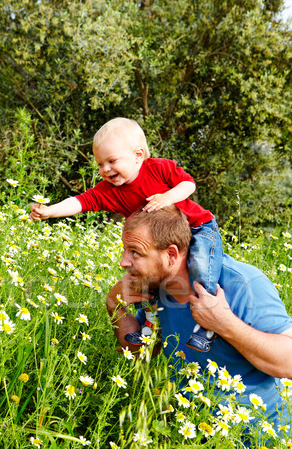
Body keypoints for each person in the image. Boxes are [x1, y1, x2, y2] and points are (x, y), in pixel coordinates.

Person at [106, 206, 292, 438]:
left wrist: (225, 323)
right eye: (124, 250)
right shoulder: (156, 289)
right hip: (202, 439)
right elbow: (139, 353)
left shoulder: (242, 283)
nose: (123, 262)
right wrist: (116, 307)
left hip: (277, 441)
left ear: (171, 254)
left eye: (135, 252)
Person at [30, 117, 222, 351]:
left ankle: (208, 323)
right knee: (149, 281)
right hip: (161, 247)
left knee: (202, 269)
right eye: (100, 164)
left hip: (198, 227)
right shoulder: (109, 191)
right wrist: (50, 211)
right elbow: (81, 201)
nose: (105, 169)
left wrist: (167, 197)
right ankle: (150, 328)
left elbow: (188, 184)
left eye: (111, 160)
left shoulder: (158, 168)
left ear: (138, 155)